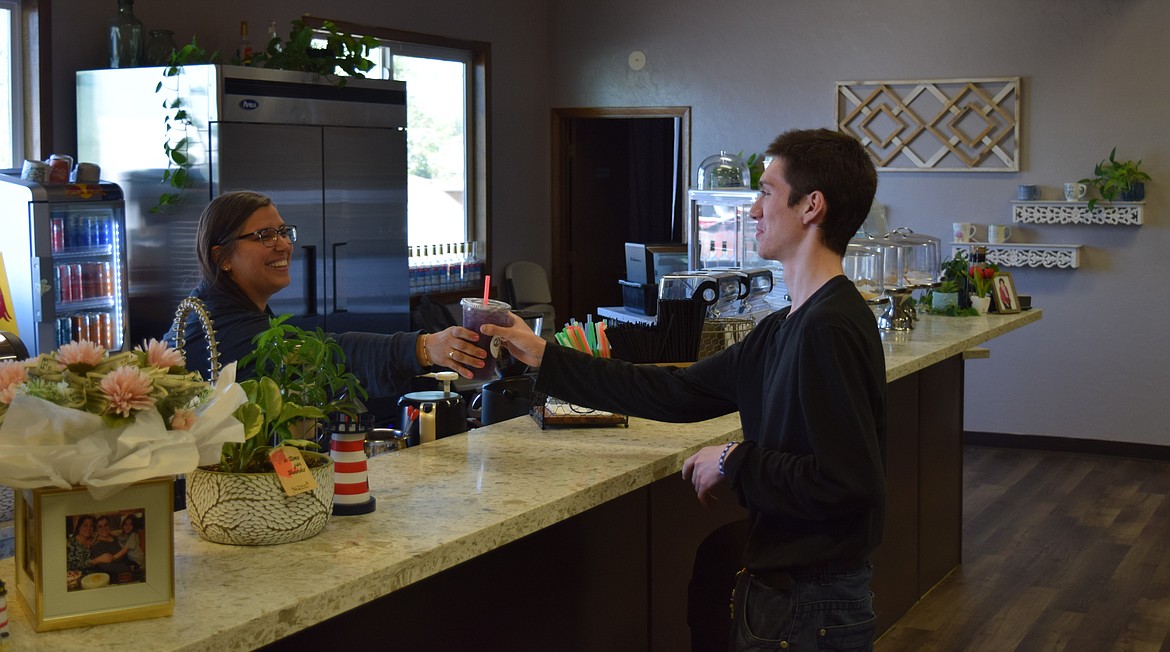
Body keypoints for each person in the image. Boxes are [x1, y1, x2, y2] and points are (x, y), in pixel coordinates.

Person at [483, 129, 887, 651]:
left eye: (765, 191)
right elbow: (673, 392)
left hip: (814, 603)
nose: (753, 210)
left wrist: (731, 460)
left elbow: (847, 483)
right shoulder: (786, 325)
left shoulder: (827, 327)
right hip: (793, 597)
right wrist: (543, 356)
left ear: (811, 206)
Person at [164, 191, 485, 408]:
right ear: (223, 258)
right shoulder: (219, 326)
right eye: (264, 235)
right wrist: (424, 347)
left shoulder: (222, 304)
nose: (283, 245)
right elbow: (327, 352)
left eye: (283, 231)